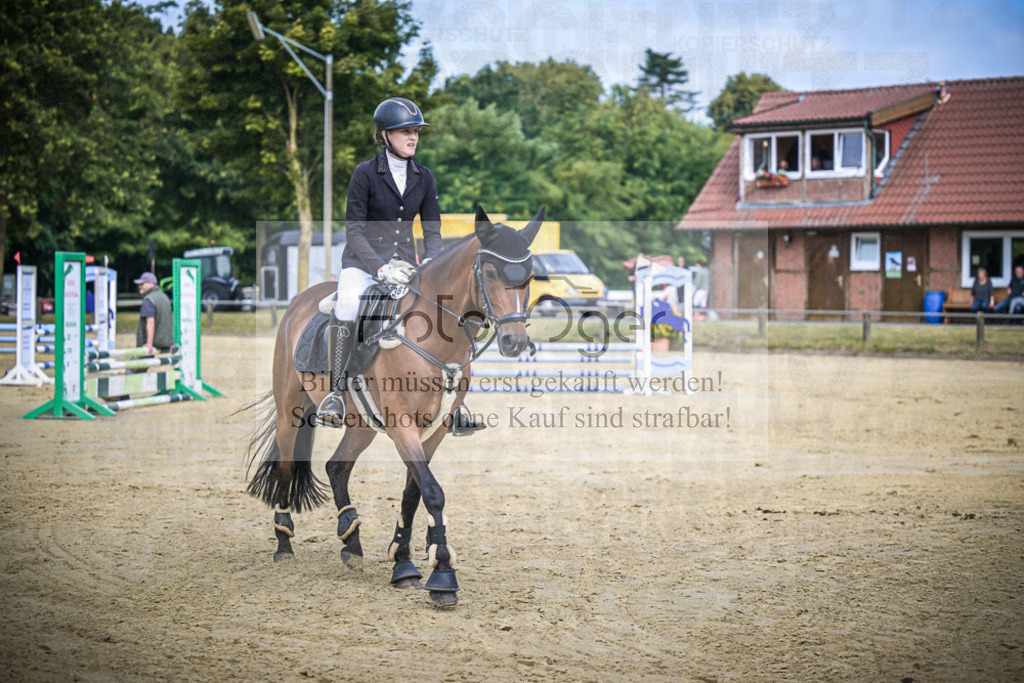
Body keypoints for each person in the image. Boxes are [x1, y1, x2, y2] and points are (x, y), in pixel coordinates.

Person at [318, 97, 486, 435]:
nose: (413, 137)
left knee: (445, 310)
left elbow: (432, 231)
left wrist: (433, 263)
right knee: (348, 304)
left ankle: (455, 403)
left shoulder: (423, 176)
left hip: (407, 265)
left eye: (415, 132)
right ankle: (335, 393)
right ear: (384, 135)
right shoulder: (365, 173)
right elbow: (354, 231)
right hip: (363, 264)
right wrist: (380, 268)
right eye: (404, 131)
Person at [134, 272, 172, 354]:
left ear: (151, 283)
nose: (139, 286)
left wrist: (149, 344)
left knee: (135, 361)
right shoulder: (164, 297)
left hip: (152, 343)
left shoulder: (149, 299)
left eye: (142, 284)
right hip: (166, 342)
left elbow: (150, 322)